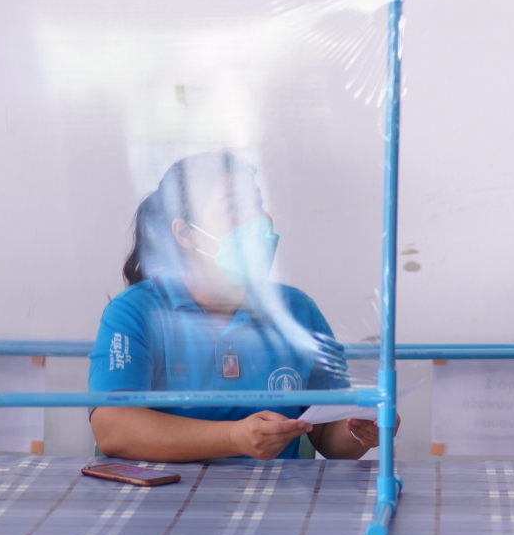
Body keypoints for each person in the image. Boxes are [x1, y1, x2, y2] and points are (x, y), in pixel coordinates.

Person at [89, 152, 378, 462]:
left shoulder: (297, 311)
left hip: (274, 491)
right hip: (167, 489)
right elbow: (113, 428)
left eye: (258, 203)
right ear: (186, 233)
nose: (259, 219)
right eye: (235, 207)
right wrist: (232, 438)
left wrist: (361, 429)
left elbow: (328, 432)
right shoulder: (135, 312)